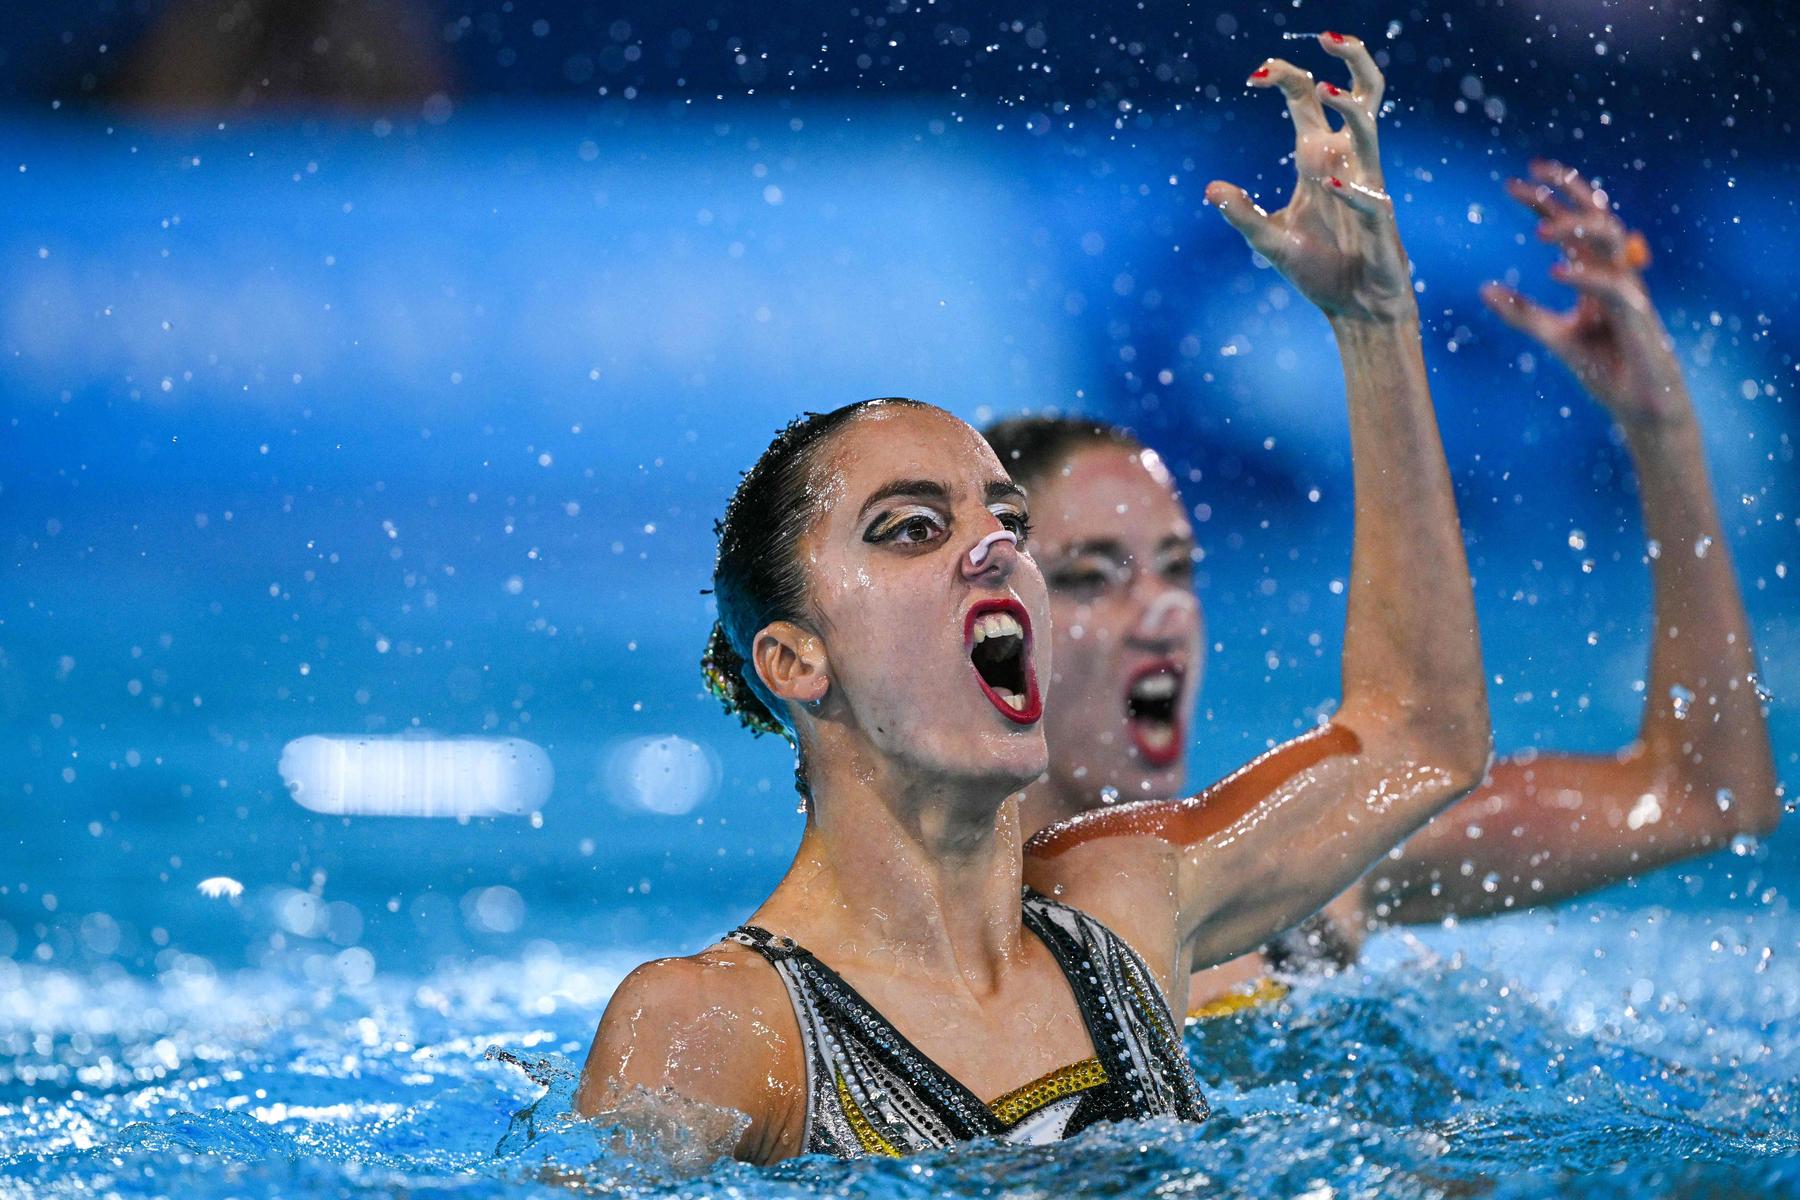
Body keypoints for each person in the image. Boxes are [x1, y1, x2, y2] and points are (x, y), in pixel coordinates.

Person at [575, 33, 1490, 1163]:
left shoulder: (1125, 906)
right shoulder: (717, 1029)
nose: (991, 553)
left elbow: (1419, 738)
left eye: (1006, 524)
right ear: (795, 662)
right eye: (913, 527)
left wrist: (1375, 325)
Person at [987, 161, 1780, 1019]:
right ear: (989, 628)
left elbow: (1706, 796)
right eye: (1092, 577)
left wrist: (1661, 434)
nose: (1166, 609)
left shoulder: (1294, 874)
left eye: (1178, 568)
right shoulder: (908, 971)